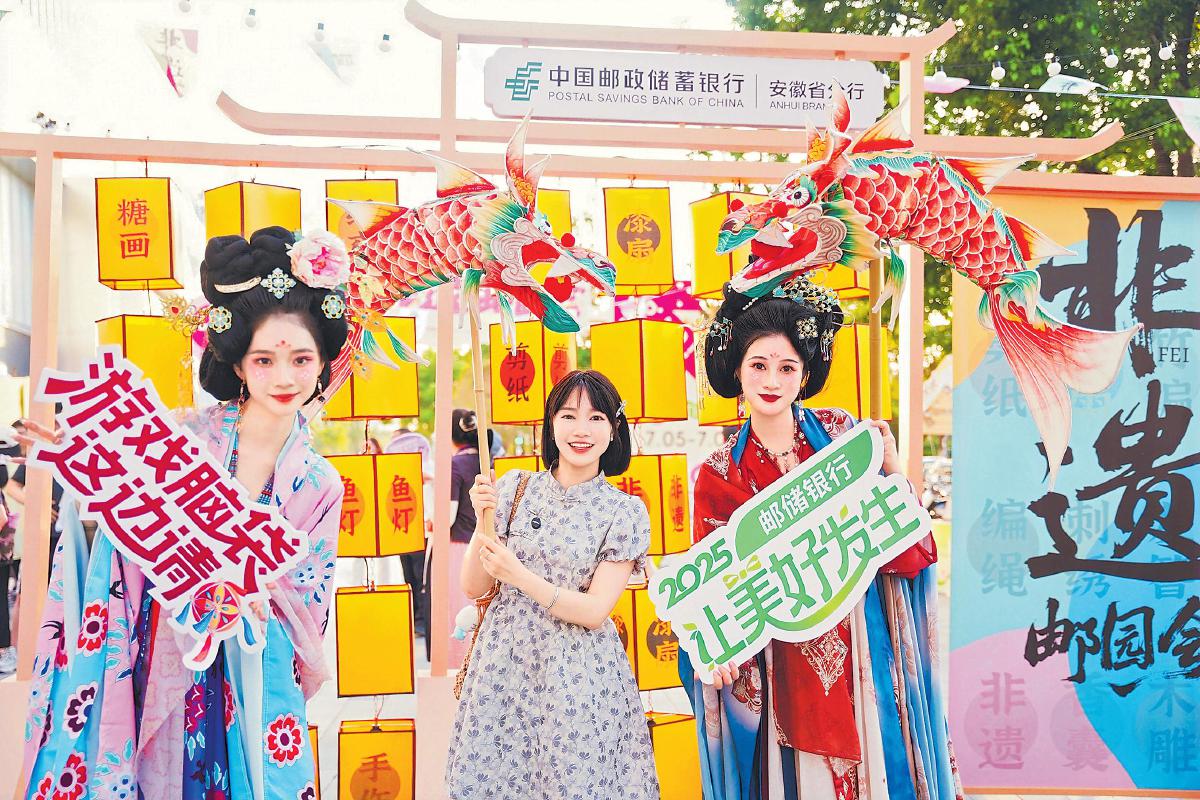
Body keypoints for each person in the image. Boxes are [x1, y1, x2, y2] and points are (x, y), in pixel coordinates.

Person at [21, 226, 348, 799]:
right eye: (264, 359)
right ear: (239, 365)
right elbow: (125, 514)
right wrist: (79, 457)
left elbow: (309, 603)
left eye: (301, 359)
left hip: (251, 663)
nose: (284, 377)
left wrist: (252, 595)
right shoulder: (186, 439)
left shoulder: (319, 481)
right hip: (161, 642)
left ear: (322, 363)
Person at [684, 274, 959, 800]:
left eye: (787, 367)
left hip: (858, 633)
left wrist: (894, 471)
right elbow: (713, 585)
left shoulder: (841, 436)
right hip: (779, 649)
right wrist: (716, 647)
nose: (772, 380)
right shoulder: (719, 473)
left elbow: (901, 539)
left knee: (878, 757)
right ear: (738, 371)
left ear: (805, 374)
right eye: (758, 365)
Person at [446, 370, 659, 799]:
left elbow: (595, 611)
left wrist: (519, 576)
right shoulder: (513, 488)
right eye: (568, 416)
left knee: (572, 781)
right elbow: (473, 586)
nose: (582, 430)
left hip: (578, 674)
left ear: (614, 429)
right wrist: (482, 522)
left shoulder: (624, 512)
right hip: (504, 669)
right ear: (551, 423)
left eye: (596, 418)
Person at [440, 409, 492, 666]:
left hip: (459, 548)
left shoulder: (454, 464)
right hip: (486, 547)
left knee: (457, 611)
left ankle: (459, 668)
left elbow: (447, 517)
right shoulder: (487, 463)